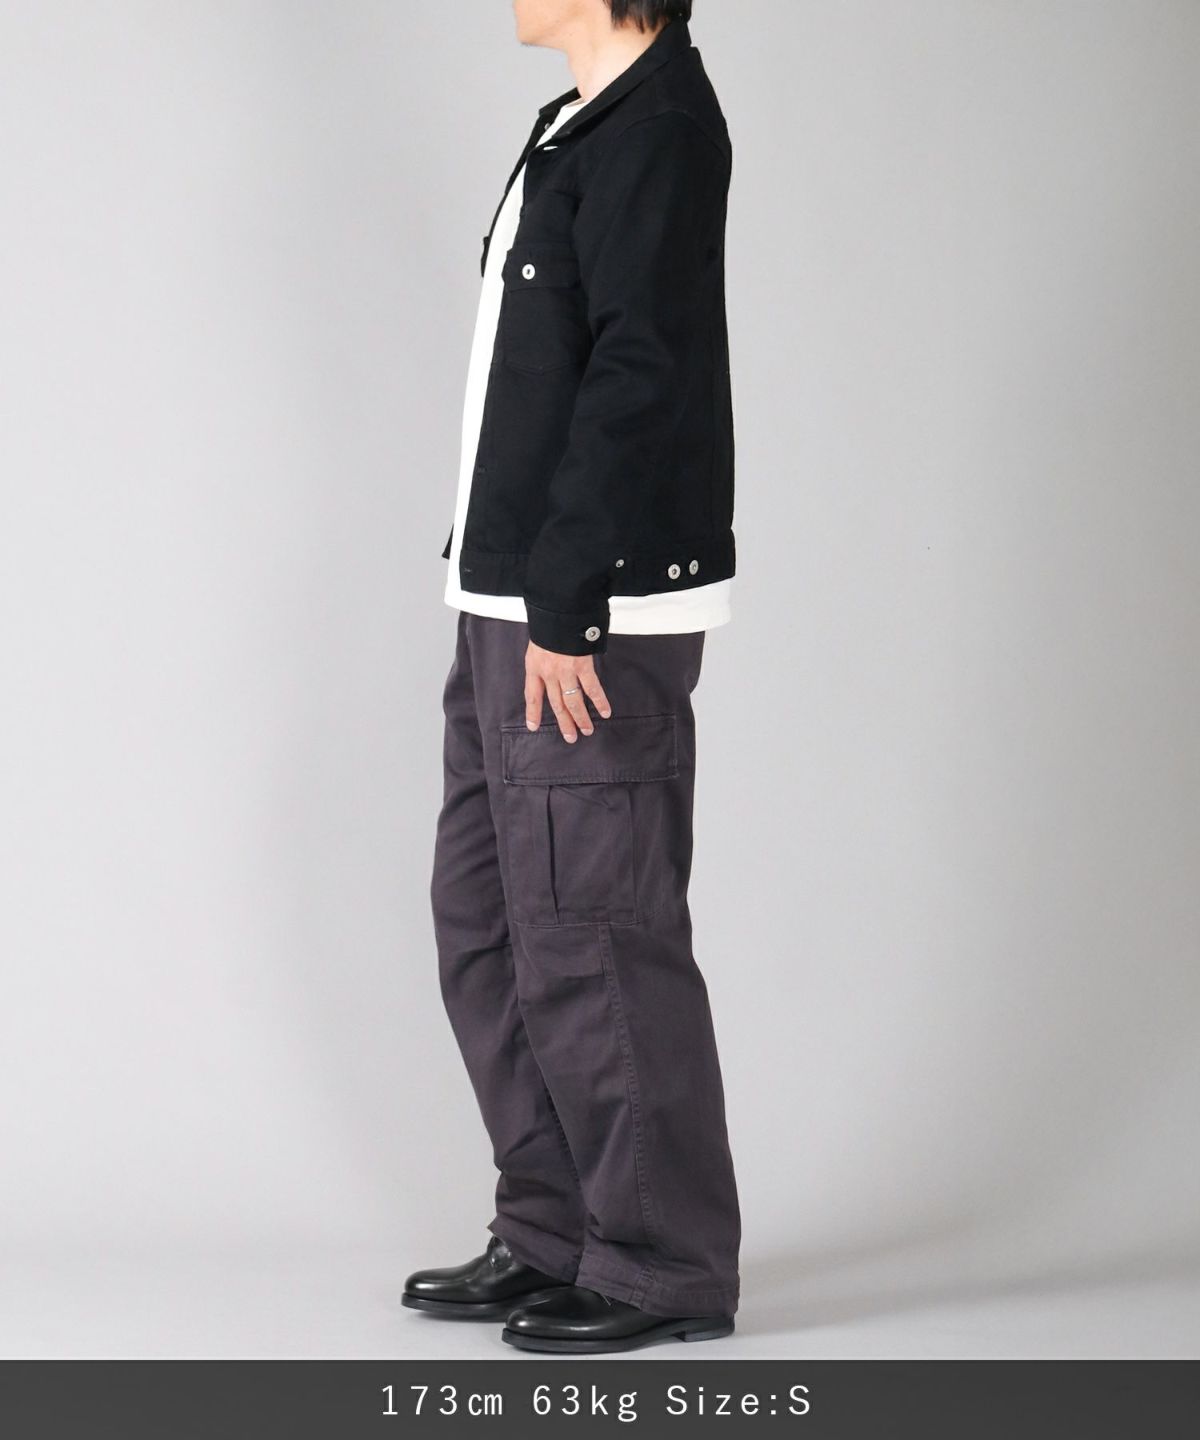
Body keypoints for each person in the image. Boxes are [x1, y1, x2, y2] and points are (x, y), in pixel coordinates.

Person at [404, 0, 741, 1355]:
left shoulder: (661, 131)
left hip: (581, 609)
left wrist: (569, 601)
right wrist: (515, 586)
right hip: (504, 594)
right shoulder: (575, 127)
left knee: (596, 930)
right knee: (491, 919)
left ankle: (661, 1264)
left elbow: (642, 373)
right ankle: (554, 1229)